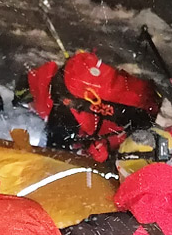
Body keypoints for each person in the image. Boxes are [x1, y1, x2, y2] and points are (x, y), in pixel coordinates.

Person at [14, 50, 162, 163]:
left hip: (142, 114)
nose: (30, 108)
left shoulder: (60, 110)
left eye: (28, 103)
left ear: (34, 95)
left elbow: (56, 158)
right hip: (142, 96)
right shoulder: (64, 78)